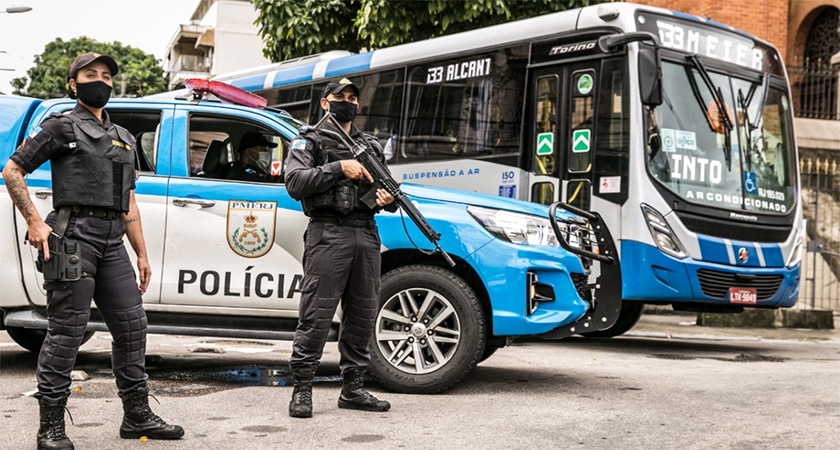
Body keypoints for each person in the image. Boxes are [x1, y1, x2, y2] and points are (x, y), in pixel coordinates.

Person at [1, 52, 184, 449]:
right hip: (73, 237)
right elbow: (12, 169)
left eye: (105, 75)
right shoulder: (60, 126)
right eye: (90, 74)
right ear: (73, 84)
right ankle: (50, 427)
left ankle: (136, 415)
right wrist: (34, 221)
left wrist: (142, 254)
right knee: (66, 333)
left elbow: (129, 201)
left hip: (113, 238)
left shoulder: (124, 137)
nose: (99, 80)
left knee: (133, 326)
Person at [284, 77, 397, 419]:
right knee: (316, 315)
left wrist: (388, 198)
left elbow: (388, 194)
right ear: (325, 102)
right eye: (340, 96)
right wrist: (338, 168)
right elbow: (294, 182)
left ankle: (353, 389)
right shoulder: (309, 140)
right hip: (328, 231)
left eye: (352, 97)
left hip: (365, 232)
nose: (347, 101)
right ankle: (302, 389)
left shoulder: (371, 146)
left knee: (362, 314)